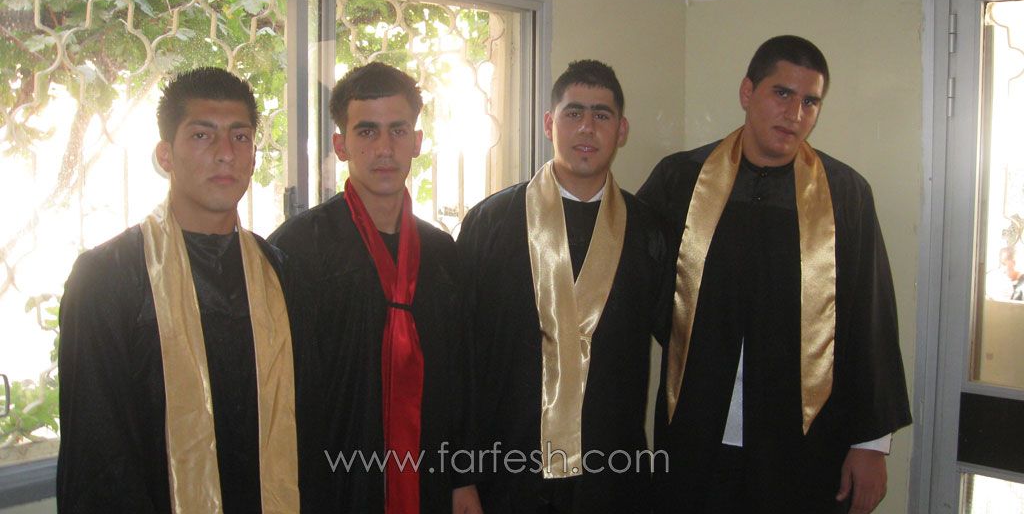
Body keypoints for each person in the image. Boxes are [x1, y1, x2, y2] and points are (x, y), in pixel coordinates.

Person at [638, 35, 912, 514]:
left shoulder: (844, 194)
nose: (795, 114)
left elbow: (870, 320)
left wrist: (871, 444)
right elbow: (633, 284)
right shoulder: (681, 180)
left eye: (810, 101)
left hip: (804, 443)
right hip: (696, 432)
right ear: (748, 92)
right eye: (782, 93)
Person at [57, 67, 298, 513]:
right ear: (165, 155)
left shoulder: (278, 272)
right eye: (203, 136)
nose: (225, 154)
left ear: (253, 156)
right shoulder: (107, 278)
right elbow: (97, 454)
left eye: (240, 137)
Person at [457, 60, 674, 513]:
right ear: (548, 124)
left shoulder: (649, 232)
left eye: (601, 115)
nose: (587, 128)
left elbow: (683, 346)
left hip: (612, 469)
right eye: (573, 113)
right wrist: (462, 476)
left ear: (622, 130)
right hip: (507, 466)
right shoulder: (491, 223)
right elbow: (461, 357)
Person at [269, 62, 480, 514]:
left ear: (417, 142)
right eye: (367, 132)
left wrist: (462, 478)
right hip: (331, 479)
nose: (384, 148)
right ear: (340, 145)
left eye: (397, 131)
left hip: (428, 476)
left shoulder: (441, 252)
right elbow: (277, 388)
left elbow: (459, 376)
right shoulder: (298, 248)